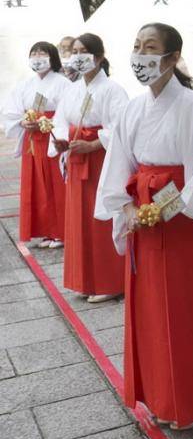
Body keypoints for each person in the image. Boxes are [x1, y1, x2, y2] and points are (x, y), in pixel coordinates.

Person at [94, 22, 193, 430]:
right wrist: (127, 209)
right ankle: (159, 395)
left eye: (151, 47)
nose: (141, 55)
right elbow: (118, 163)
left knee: (189, 313)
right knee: (152, 316)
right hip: (144, 222)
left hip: (185, 228)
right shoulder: (132, 109)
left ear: (173, 57)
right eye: (137, 46)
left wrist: (165, 206)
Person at [49, 34, 128, 303]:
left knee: (100, 217)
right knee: (78, 219)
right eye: (75, 51)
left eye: (84, 51)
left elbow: (120, 128)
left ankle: (109, 281)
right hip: (76, 154)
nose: (78, 55)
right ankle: (84, 280)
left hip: (100, 159)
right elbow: (61, 120)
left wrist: (95, 143)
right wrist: (61, 140)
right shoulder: (72, 89)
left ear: (99, 56)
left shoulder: (113, 90)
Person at [2, 42, 72, 249]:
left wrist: (49, 123)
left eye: (43, 53)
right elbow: (11, 110)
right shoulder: (25, 84)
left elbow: (68, 111)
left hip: (52, 136)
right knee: (37, 186)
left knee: (55, 184)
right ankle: (45, 231)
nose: (38, 57)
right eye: (34, 53)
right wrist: (22, 122)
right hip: (32, 140)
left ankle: (61, 231)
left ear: (52, 57)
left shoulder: (63, 83)